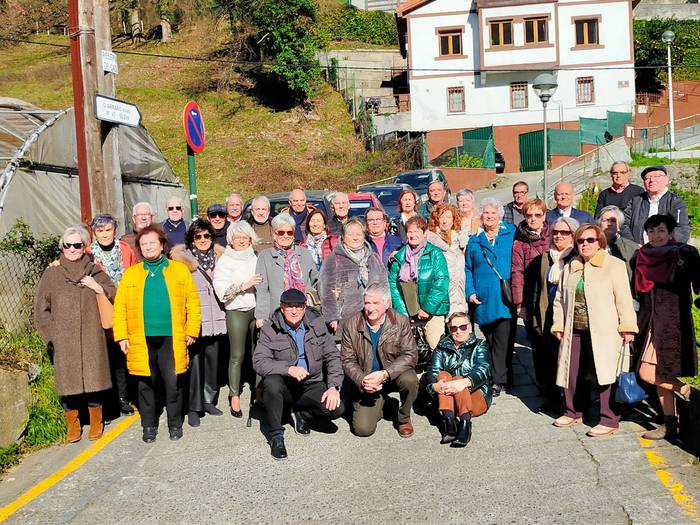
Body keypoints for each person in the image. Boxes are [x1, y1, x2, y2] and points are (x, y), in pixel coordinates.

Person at [113, 225, 201, 443]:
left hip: (171, 336)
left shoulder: (179, 270)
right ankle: (149, 425)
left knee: (173, 382)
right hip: (141, 338)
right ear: (139, 249)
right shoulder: (132, 274)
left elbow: (193, 302)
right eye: (144, 244)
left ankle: (174, 423)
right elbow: (120, 307)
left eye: (152, 242)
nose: (148, 247)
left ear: (162, 245)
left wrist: (192, 330)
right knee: (145, 383)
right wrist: (122, 336)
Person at [551, 224, 637, 437]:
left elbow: (624, 299)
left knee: (604, 373)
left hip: (605, 331)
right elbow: (560, 298)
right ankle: (573, 411)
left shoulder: (613, 265)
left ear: (600, 242)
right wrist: (559, 324)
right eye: (580, 241)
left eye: (590, 240)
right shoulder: (572, 266)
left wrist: (627, 327)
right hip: (575, 328)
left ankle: (609, 419)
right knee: (572, 371)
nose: (585, 244)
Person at [34, 225, 116, 443]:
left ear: (84, 247)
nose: (72, 249)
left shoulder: (93, 270)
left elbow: (114, 291)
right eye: (68, 245)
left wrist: (96, 286)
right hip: (63, 338)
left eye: (77, 245)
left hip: (91, 334)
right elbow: (41, 308)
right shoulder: (52, 272)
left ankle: (96, 421)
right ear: (62, 246)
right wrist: (52, 335)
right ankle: (73, 424)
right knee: (66, 382)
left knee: (94, 379)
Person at [253, 289, 345, 461]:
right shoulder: (269, 329)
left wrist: (333, 387)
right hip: (285, 385)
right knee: (272, 384)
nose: (294, 311)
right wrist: (288, 369)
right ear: (282, 308)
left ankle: (301, 413)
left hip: (311, 382)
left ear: (305, 308)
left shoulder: (317, 324)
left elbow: (333, 357)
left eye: (298, 306)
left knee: (336, 409)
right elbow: (259, 361)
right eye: (289, 307)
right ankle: (276, 436)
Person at [634, 214, 699, 440]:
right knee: (654, 372)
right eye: (651, 231)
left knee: (651, 372)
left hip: (673, 322)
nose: (656, 235)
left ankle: (683, 400)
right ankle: (671, 421)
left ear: (670, 233)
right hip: (649, 321)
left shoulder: (683, 254)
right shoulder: (640, 256)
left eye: (661, 231)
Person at [340, 284, 419, 438]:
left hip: (392, 375)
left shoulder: (400, 321)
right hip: (367, 380)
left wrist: (385, 374)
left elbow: (411, 354)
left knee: (410, 380)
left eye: (376, 303)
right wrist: (363, 380)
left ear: (387, 304)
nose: (370, 308)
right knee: (363, 430)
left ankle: (403, 417)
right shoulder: (351, 324)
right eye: (367, 303)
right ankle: (385, 403)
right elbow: (347, 359)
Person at [171, 220, 227, 427]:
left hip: (217, 318)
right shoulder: (182, 261)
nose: (203, 240)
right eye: (198, 236)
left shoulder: (221, 258)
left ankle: (208, 400)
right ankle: (194, 407)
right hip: (196, 319)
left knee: (213, 363)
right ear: (191, 239)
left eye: (207, 236)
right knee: (194, 364)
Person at [465, 197, 516, 397]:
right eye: (486, 213)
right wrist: (470, 292)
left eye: (493, 213)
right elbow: (468, 269)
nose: (490, 217)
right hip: (483, 298)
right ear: (481, 216)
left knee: (502, 340)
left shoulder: (510, 233)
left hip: (504, 296)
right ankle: (506, 375)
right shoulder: (474, 240)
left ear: (500, 215)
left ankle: (498, 380)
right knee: (491, 338)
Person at [87, 214, 137, 415]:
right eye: (100, 231)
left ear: (114, 230)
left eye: (108, 230)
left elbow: (133, 273)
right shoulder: (88, 253)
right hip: (99, 308)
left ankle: (123, 398)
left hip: (123, 306)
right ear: (94, 232)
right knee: (104, 356)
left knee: (121, 354)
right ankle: (108, 402)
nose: (105, 234)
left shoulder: (125, 249)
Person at [213, 222, 261, 418]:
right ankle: (234, 395)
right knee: (238, 354)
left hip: (256, 309)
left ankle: (260, 392)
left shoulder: (256, 257)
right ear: (231, 239)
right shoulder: (225, 260)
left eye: (245, 237)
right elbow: (221, 288)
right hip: (237, 311)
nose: (241, 240)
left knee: (259, 353)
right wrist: (244, 285)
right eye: (237, 237)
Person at [530, 217, 579, 409]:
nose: (558, 236)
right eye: (556, 232)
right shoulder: (545, 258)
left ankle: (573, 402)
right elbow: (535, 290)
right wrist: (534, 317)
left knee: (569, 360)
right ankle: (552, 399)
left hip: (570, 317)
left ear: (573, 235)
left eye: (564, 233)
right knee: (548, 360)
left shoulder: (577, 257)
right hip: (547, 315)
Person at [424, 312, 492, 447]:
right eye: (454, 328)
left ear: (470, 328)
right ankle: (450, 422)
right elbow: (433, 371)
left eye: (463, 327)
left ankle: (465, 423)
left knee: (458, 378)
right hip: (448, 400)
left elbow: (483, 369)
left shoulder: (480, 345)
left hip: (475, 396)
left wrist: (463, 382)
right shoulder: (442, 347)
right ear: (449, 330)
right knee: (443, 374)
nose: (458, 331)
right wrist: (434, 386)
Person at [388, 215, 449, 350]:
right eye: (410, 231)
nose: (413, 235)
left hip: (433, 312)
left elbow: (441, 281)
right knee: (410, 352)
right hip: (408, 315)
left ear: (424, 233)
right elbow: (393, 285)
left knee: (436, 348)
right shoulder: (400, 257)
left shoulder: (435, 253)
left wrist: (427, 309)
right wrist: (403, 313)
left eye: (416, 231)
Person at [320, 218, 387, 337]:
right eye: (351, 234)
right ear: (344, 236)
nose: (355, 238)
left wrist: (386, 314)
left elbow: (384, 287)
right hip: (344, 324)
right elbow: (325, 291)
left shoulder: (373, 258)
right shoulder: (333, 259)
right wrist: (332, 317)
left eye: (358, 234)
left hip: (372, 322)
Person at [254, 213, 318, 327]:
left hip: (304, 312)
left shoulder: (305, 253)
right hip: (278, 314)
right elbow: (262, 289)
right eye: (281, 232)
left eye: (289, 232)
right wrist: (261, 316)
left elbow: (316, 280)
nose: (285, 236)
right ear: (274, 235)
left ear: (293, 235)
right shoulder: (265, 256)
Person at [620, 165, 690, 244]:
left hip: (666, 252)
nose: (652, 180)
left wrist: (663, 249)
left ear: (666, 180)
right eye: (647, 178)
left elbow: (682, 230)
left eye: (657, 176)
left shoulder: (676, 202)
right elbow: (624, 224)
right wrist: (633, 246)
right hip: (637, 251)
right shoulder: (636, 201)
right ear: (644, 183)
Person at [511, 198, 550, 322]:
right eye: (529, 215)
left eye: (538, 215)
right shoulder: (519, 242)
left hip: (552, 292)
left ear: (544, 216)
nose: (533, 219)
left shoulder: (554, 235)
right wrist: (519, 303)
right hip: (531, 294)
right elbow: (517, 272)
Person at [426, 203, 468, 315]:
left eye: (448, 217)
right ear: (436, 219)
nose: (444, 221)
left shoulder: (460, 240)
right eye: (441, 217)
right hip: (442, 298)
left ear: (454, 220)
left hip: (460, 295)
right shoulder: (431, 241)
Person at [597, 205, 639, 282]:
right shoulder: (592, 245)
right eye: (605, 220)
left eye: (613, 220)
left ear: (619, 225)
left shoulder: (632, 248)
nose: (609, 224)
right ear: (599, 224)